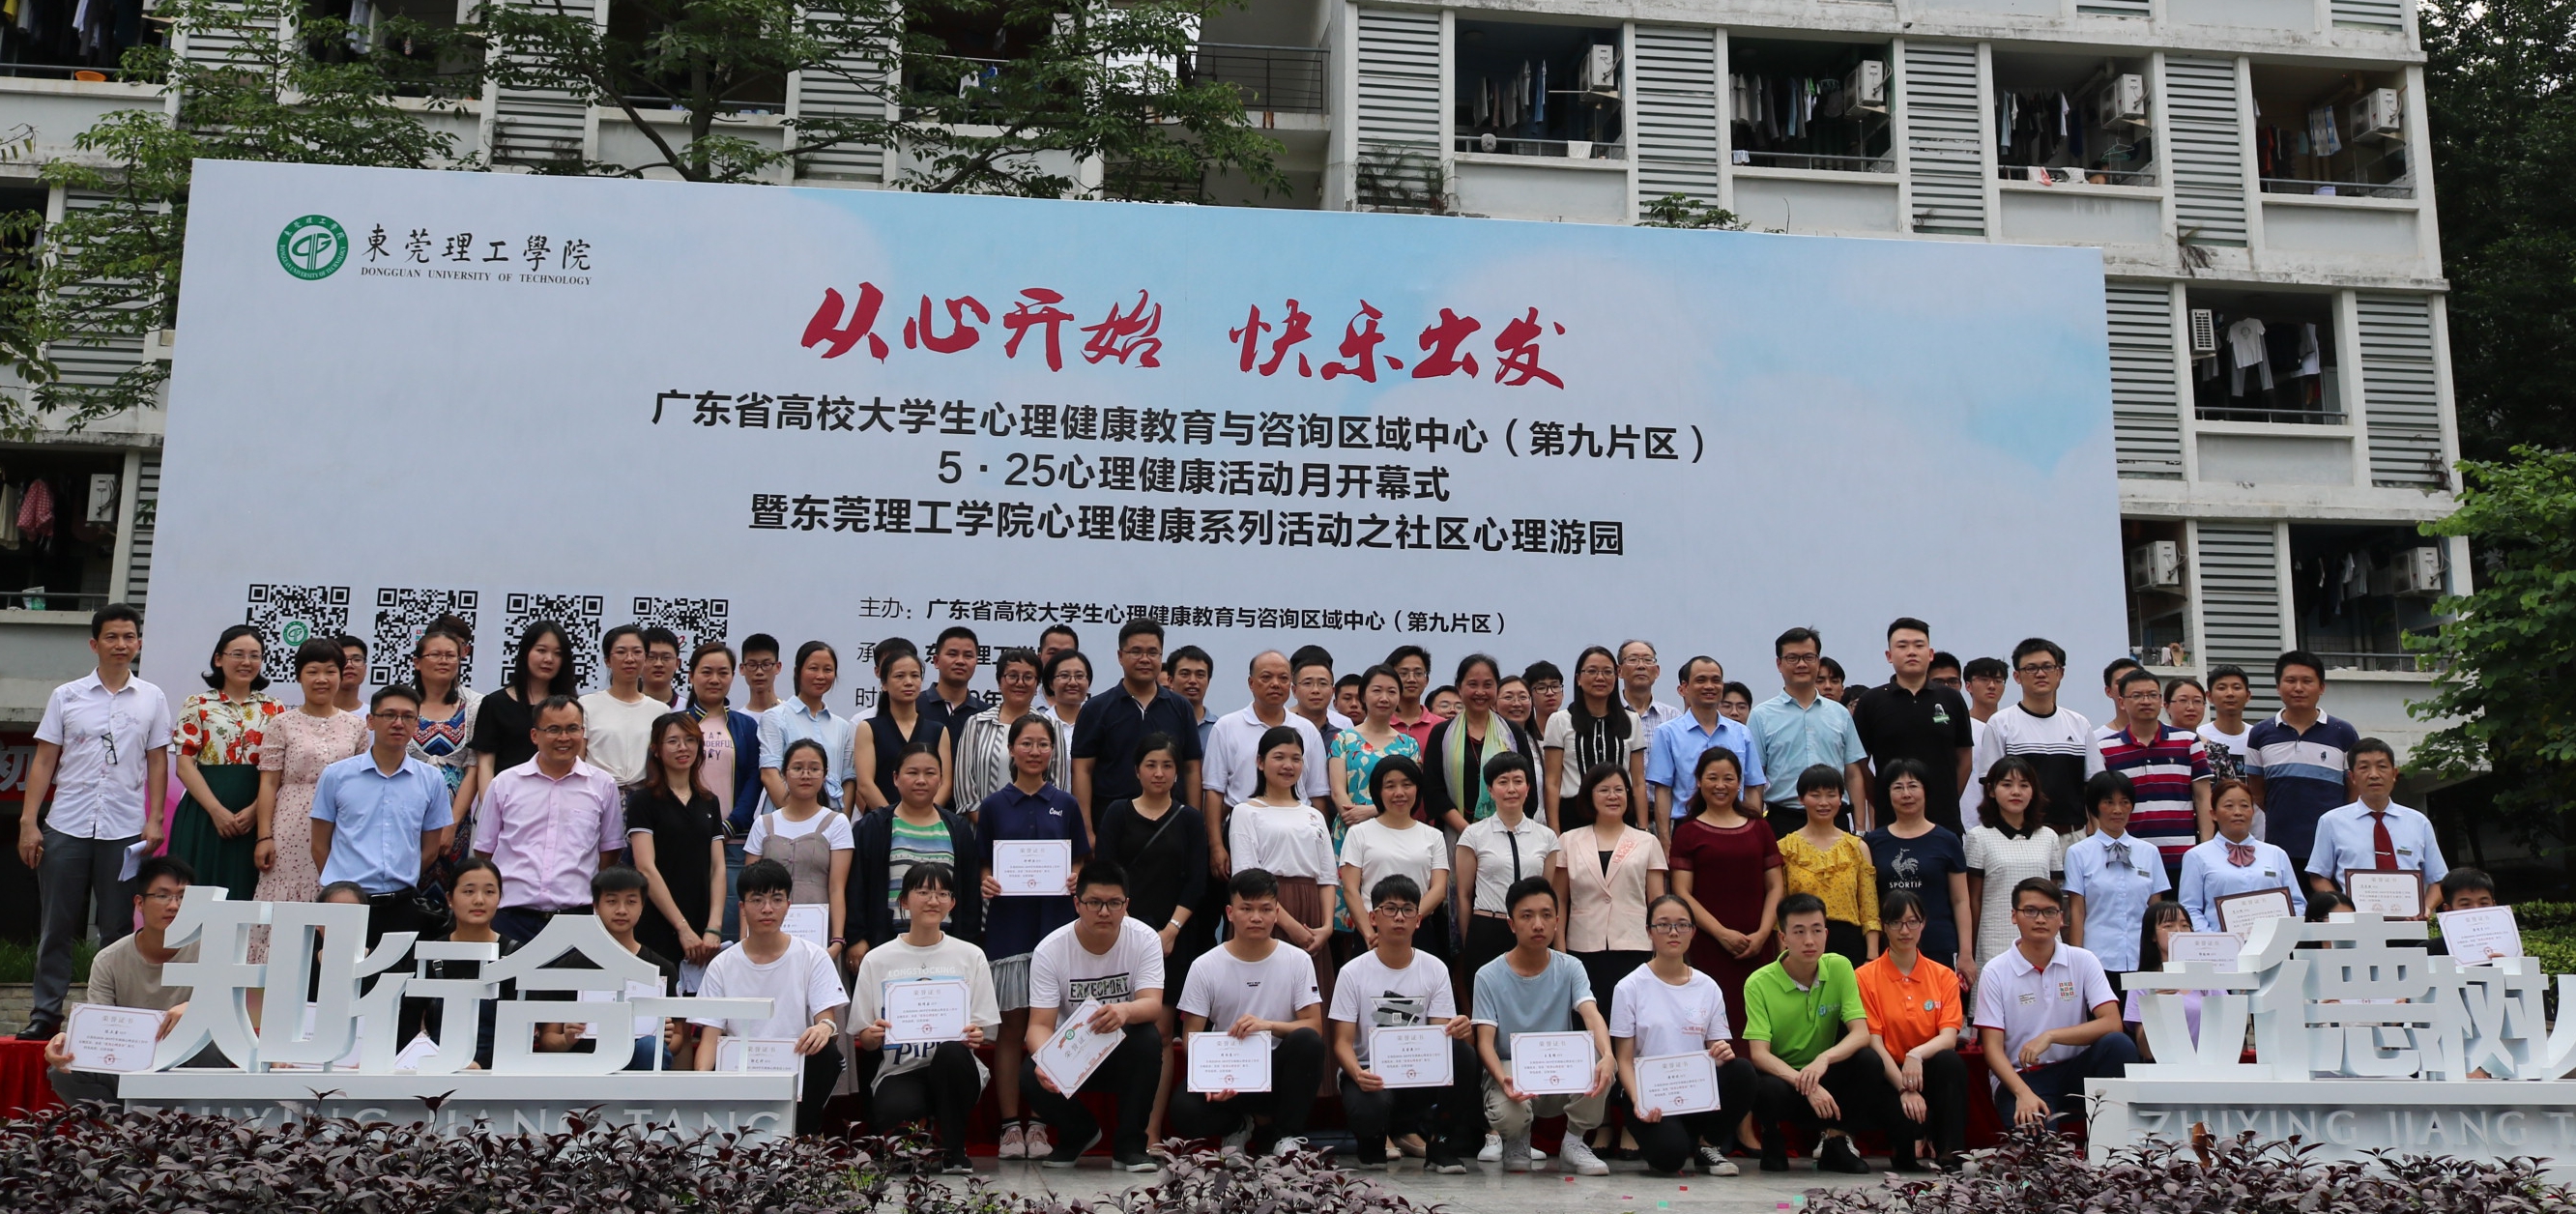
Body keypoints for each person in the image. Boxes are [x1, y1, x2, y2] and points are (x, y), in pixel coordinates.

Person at [979, 713, 1092, 1161]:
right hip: (1009, 928)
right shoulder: (994, 805)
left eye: (1042, 744)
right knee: (1011, 1029)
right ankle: (1010, 1126)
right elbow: (983, 862)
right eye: (1025, 743)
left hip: (1055, 928)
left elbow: (1080, 859)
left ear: (1052, 751)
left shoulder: (1065, 803)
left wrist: (1075, 876)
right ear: (1011, 749)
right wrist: (987, 880)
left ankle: (1043, 1122)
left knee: (1051, 1026)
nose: (1034, 751)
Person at [1089, 734, 1207, 1142]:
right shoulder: (1117, 813)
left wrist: (1171, 930)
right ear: (1136, 770)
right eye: (1151, 765)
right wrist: (1126, 927)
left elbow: (1197, 880)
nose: (1159, 773)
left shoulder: (1189, 818)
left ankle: (1150, 1132)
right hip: (1118, 933)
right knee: (1117, 1025)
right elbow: (1106, 874)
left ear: (1177, 773)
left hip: (1173, 936)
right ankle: (1116, 1128)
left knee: (1159, 1031)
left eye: (1167, 766)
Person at [850, 861, 999, 1173]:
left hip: (955, 1068)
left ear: (952, 903)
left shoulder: (970, 955)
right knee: (894, 1109)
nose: (934, 901)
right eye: (923, 892)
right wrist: (872, 1035)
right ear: (904, 901)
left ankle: (954, 1152)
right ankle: (915, 1138)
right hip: (901, 1069)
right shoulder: (877, 959)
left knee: (951, 1054)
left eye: (943, 894)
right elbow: (864, 1036)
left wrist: (976, 1033)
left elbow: (986, 1031)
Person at [1548, 763, 1666, 1155]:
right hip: (1583, 950)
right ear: (1589, 797)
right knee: (1591, 1038)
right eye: (1604, 790)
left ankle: (1631, 1120)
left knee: (1633, 1038)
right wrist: (1561, 950)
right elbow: (1559, 901)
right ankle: (1598, 1122)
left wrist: (1660, 953)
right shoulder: (1569, 840)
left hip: (1635, 949)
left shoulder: (1646, 841)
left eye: (1619, 789)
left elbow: (1657, 903)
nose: (1613, 796)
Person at [1171, 868, 1329, 1156]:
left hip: (1277, 1068)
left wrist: (1267, 1025)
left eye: (1265, 909)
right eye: (1247, 909)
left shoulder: (1297, 960)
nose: (1256, 917)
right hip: (1228, 1068)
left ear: (1276, 913)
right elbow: (1192, 1035)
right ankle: (1238, 1125)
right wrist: (1210, 1078)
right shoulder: (1205, 965)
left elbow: (1313, 1025)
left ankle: (1286, 1135)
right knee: (1185, 1110)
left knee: (1308, 1042)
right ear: (1230, 913)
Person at [1022, 860, 1165, 1171]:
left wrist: (1124, 1010)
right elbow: (1039, 1024)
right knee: (1031, 1073)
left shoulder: (1145, 939)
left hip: (1122, 1049)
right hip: (1074, 1051)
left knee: (1148, 1038)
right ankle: (1078, 1133)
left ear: (1126, 904)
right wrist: (1046, 1061)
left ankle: (1130, 1146)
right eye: (1094, 903)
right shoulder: (1051, 950)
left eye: (1114, 903)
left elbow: (1153, 1004)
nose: (1104, 912)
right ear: (1077, 904)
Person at [1331, 873, 1478, 1172]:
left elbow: (1439, 1037)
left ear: (1418, 920)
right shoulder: (1352, 972)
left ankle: (1440, 1143)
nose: (1399, 917)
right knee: (1369, 1109)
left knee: (1462, 1053)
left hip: (1417, 1070)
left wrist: (1458, 1030)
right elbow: (1342, 1043)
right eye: (1390, 909)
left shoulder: (1435, 968)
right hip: (1370, 1073)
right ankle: (1372, 1139)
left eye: (1408, 909)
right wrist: (1358, 1074)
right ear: (1373, 918)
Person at [692, 858, 848, 1136]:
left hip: (794, 1065)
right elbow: (710, 1037)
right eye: (757, 900)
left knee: (827, 1053)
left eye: (777, 899)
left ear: (789, 904)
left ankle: (803, 1135)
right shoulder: (722, 965)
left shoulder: (813, 957)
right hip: (740, 1068)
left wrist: (825, 1027)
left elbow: (827, 1022)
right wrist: (701, 1085)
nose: (767, 909)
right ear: (742, 907)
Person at [1471, 877, 1616, 1175]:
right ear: (1511, 924)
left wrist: (1608, 1054)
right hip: (1511, 1071)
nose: (1538, 924)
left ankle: (1574, 1142)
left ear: (1557, 922)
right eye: (1527, 916)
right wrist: (1501, 1077)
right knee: (1508, 1111)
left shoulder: (1570, 967)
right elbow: (1484, 1041)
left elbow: (1591, 1014)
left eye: (1546, 915)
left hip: (1560, 1069)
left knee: (1600, 1061)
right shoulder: (1488, 975)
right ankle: (1516, 1141)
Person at [1739, 892, 1887, 1173]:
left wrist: (1824, 1059)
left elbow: (1860, 1033)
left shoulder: (1840, 966)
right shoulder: (1758, 983)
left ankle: (1836, 1141)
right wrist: (1805, 1083)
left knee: (1869, 1061)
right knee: (1762, 1086)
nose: (1809, 940)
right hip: (1785, 1079)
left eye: (1817, 930)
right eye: (1799, 931)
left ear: (1826, 934)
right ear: (1783, 937)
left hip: (1823, 1073)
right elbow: (1759, 1054)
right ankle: (1772, 1135)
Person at [1973, 878, 2136, 1131]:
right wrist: (2022, 1093)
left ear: (2061, 918)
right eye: (2030, 911)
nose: (2040, 919)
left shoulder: (2083, 960)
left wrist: (2051, 1036)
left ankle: (2112, 1136)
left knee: (2118, 1045)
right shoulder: (1996, 971)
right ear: (2014, 916)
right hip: (2022, 1077)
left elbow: (2112, 1022)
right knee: (2039, 1150)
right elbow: (1992, 1049)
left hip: (2075, 1070)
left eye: (2049, 911)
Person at [1611, 893, 1751, 1178]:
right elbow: (1623, 1060)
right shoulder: (1629, 987)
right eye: (1663, 925)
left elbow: (1715, 1050)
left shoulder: (1708, 987)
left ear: (1693, 932)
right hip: (1652, 1098)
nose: (1673, 932)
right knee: (1670, 1157)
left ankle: (1708, 1146)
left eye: (1682, 925)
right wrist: (1639, 1101)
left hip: (1696, 1094)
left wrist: (1722, 1053)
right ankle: (1666, 1138)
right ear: (1649, 931)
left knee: (1742, 1072)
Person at [41, 855, 205, 1098]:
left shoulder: (210, 950)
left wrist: (198, 1010)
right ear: (139, 903)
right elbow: (100, 1024)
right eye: (162, 896)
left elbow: (236, 1008)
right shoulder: (109, 960)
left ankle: (195, 1119)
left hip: (188, 1060)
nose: (174, 905)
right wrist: (73, 1040)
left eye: (183, 897)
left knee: (210, 1046)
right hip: (128, 1063)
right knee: (64, 1072)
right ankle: (121, 1121)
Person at [472, 695, 625, 943]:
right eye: (553, 729)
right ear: (535, 735)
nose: (564, 738)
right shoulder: (505, 783)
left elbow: (609, 852)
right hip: (511, 917)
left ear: (582, 732)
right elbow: (484, 852)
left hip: (576, 919)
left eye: (572, 728)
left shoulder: (603, 785)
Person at [310, 684, 455, 946]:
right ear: (370, 720)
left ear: (417, 724)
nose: (398, 723)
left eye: (408, 716)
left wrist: (401, 876)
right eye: (389, 715)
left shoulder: (431, 779)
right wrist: (341, 891)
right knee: (337, 971)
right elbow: (319, 846)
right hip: (345, 907)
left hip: (401, 906)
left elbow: (430, 850)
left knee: (396, 973)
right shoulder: (336, 775)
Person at [1665, 749, 1782, 1043]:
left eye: (1728, 778)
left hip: (1757, 943)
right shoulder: (1687, 832)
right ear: (1698, 781)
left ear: (1739, 782)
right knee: (1715, 1026)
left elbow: (1776, 886)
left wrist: (1762, 934)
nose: (1720, 785)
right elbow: (1681, 892)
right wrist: (1721, 933)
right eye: (1712, 778)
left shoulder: (1760, 828)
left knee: (1759, 1022)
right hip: (1708, 944)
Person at [1224, 726, 1339, 1012]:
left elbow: (1327, 877)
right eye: (1279, 757)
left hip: (1311, 911)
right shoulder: (1245, 812)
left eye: (1296, 758)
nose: (1288, 765)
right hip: (1264, 909)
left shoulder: (1313, 814)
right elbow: (1246, 876)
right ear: (1260, 762)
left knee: (1307, 1001)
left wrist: (1326, 927)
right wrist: (1289, 926)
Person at [254, 638, 370, 917]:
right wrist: (264, 836)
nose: (322, 679)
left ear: (341, 675)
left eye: (330, 671)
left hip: (341, 823)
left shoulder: (356, 726)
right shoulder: (281, 723)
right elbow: (269, 783)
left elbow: (363, 783)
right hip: (291, 821)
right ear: (298, 677)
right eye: (313, 671)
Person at [169, 624, 283, 901]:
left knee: (246, 892)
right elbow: (184, 766)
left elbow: (280, 770)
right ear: (218, 659)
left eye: (255, 655)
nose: (247, 662)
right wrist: (216, 811)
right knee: (198, 890)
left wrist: (256, 810)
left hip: (257, 813)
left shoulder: (275, 709)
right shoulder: (197, 704)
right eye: (238, 654)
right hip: (204, 811)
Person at [1856, 890, 1967, 1171]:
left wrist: (1916, 1055)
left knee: (1950, 1061)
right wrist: (1905, 1088)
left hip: (1926, 1067)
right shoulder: (1864, 977)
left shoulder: (1943, 976)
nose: (1905, 931)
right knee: (1868, 1063)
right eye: (1896, 922)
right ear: (1884, 926)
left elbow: (1949, 1037)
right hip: (1889, 1073)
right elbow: (1874, 1041)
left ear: (1924, 923)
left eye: (1912, 922)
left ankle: (1949, 1152)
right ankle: (1902, 1148)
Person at [1072, 620, 1201, 845]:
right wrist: (1087, 830)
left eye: (1152, 652)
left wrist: (1193, 824)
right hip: (1112, 823)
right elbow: (1082, 769)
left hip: (1170, 824)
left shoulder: (1181, 707)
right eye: (1136, 652)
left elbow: (1191, 769)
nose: (1145, 659)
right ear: (1120, 656)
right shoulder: (1096, 709)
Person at [853, 740, 984, 957]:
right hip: (886, 943)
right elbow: (857, 886)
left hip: (946, 944)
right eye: (912, 772)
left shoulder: (958, 828)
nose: (921, 780)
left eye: (930, 773)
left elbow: (969, 893)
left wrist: (968, 944)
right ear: (896, 778)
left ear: (940, 779)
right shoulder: (874, 826)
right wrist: (856, 937)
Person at [1200, 650, 1330, 862]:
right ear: (1251, 683)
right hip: (1243, 831)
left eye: (1283, 678)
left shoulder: (1307, 730)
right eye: (1266, 677)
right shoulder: (1226, 727)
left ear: (1291, 685)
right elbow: (1214, 791)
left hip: (1298, 832)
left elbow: (1317, 795)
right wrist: (1215, 846)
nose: (1275, 684)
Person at [1969, 639, 2104, 838]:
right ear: (2017, 676)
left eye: (2047, 667)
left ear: (2060, 673)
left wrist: (2098, 836)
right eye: (2031, 668)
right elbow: (1992, 787)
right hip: (2021, 836)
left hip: (2072, 836)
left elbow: (2093, 786)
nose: (2040, 674)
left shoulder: (2079, 724)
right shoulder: (2000, 723)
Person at [1852, 619, 1978, 835]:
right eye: (1902, 646)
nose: (1911, 652)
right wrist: (1882, 798)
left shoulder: (1951, 699)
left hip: (1944, 822)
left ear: (1930, 654)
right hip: (1891, 822)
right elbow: (1860, 764)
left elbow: (1965, 757)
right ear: (1889, 655)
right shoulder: (1871, 702)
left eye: (1919, 645)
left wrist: (1947, 799)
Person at [2248, 651, 2365, 880]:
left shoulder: (2343, 732)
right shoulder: (2260, 734)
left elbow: (2354, 790)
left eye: (2307, 681)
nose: (2298, 688)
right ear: (2278, 687)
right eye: (2290, 681)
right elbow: (2257, 792)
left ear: (2321, 687)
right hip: (2279, 847)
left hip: (2332, 847)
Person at [625, 712, 727, 975]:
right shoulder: (643, 801)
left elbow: (717, 867)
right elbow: (645, 868)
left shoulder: (709, 802)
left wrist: (714, 927)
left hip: (703, 926)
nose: (683, 747)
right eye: (673, 741)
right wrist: (682, 928)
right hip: (658, 921)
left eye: (690, 740)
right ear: (656, 750)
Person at [1751, 628, 1873, 837]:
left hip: (1836, 820)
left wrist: (1860, 829)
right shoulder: (1761, 716)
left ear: (1817, 661)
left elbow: (1853, 774)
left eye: (1808, 657)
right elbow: (1755, 780)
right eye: (1792, 658)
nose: (1801, 664)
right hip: (1783, 821)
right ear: (1779, 664)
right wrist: (1755, 832)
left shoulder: (1840, 713)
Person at [2304, 738, 2446, 917]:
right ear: (2352, 777)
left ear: (2394, 774)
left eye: (2382, 767)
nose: (2374, 775)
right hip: (2357, 923)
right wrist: (2342, 909)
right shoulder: (2331, 821)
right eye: (2364, 768)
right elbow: (2318, 876)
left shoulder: (2419, 822)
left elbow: (2439, 879)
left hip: (2410, 922)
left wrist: (2426, 908)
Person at [745, 738, 854, 967]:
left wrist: (837, 940)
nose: (806, 775)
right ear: (784, 773)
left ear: (825, 774)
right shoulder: (763, 824)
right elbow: (748, 890)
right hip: (767, 933)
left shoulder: (837, 823)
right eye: (797, 768)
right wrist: (745, 939)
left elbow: (837, 887)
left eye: (814, 769)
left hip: (820, 936)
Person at [1453, 753, 1557, 988]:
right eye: (1503, 782)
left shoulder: (1547, 837)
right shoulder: (1473, 835)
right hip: (1488, 927)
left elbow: (1548, 892)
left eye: (1518, 781)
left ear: (1528, 787)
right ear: (1490, 790)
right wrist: (1470, 940)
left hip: (1533, 928)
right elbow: (1464, 895)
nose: (1511, 789)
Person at [679, 642, 761, 939]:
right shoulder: (677, 724)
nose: (715, 679)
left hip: (733, 842)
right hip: (685, 839)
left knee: (727, 929)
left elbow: (754, 779)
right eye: (706, 672)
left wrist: (731, 824)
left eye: (723, 673)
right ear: (691, 676)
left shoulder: (746, 725)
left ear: (733, 677)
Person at [402, 855, 516, 1069]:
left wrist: (483, 1066)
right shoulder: (428, 954)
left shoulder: (514, 954)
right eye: (469, 891)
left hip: (499, 1072)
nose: (479, 900)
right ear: (449, 899)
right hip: (435, 1069)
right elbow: (407, 1022)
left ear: (500, 899)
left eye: (489, 892)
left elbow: (520, 1030)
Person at [2096, 668, 2213, 873]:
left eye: (2152, 695)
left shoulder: (2187, 741)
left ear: (2161, 701)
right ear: (2122, 702)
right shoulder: (2106, 748)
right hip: (2130, 857)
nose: (2146, 701)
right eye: (2137, 696)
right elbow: (2099, 804)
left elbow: (2203, 797)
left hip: (2183, 856)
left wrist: (2206, 848)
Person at [1862, 758, 1973, 975]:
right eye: (1898, 787)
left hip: (1938, 944)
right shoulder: (1872, 843)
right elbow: (1868, 901)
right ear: (1888, 794)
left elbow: (1960, 900)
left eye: (1913, 786)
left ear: (1925, 791)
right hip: (1890, 946)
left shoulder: (1947, 840)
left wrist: (1966, 953)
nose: (1906, 794)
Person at [567, 865, 680, 1069]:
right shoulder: (570, 967)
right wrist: (566, 1038)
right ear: (596, 906)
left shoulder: (662, 968)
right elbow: (549, 1040)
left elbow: (678, 1039)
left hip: (640, 1067)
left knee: (650, 1047)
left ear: (642, 906)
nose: (621, 910)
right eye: (612, 901)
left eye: (631, 902)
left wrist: (667, 1038)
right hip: (585, 1068)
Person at [1646, 656, 1766, 844]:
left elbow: (1752, 787)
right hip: (1688, 827)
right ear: (1685, 687)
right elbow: (1663, 791)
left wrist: (1754, 834)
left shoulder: (1741, 733)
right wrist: (1665, 842)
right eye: (1701, 680)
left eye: (1716, 680)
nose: (1709, 686)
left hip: (1735, 826)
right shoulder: (1668, 733)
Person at [1339, 756, 1451, 958]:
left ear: (1417, 789)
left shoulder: (1433, 836)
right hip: (1372, 930)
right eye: (1390, 786)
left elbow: (1439, 889)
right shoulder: (1358, 833)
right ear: (1378, 791)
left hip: (1419, 929)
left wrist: (1408, 919)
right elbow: (1350, 889)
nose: (1399, 793)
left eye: (1407, 785)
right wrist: (1369, 934)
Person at [1962, 757, 2066, 970]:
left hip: (2042, 938)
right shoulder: (1978, 837)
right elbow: (1974, 899)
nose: (2016, 792)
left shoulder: (2049, 837)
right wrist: (1969, 949)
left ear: (2033, 791)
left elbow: (2053, 893)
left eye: (2024, 785)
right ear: (1991, 790)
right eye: (2007, 785)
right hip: (1994, 938)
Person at [2063, 771, 2172, 973]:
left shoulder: (2149, 852)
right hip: (2098, 957)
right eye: (2109, 802)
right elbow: (2077, 911)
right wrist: (2076, 963)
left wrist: (2160, 959)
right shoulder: (2078, 853)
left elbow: (2156, 911)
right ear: (2095, 806)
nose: (2117, 810)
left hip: (2142, 957)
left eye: (2124, 802)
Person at [406, 619, 484, 895]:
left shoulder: (474, 706)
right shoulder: (402, 703)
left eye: (450, 655)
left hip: (455, 822)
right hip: (405, 817)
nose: (443, 661)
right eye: (435, 654)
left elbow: (473, 766)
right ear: (417, 662)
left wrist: (450, 823)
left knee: (451, 895)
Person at [1421, 653, 1536, 834]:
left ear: (1496, 688)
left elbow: (1529, 789)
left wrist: (1498, 832)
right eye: (1473, 684)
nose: (1480, 692)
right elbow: (1433, 791)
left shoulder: (1512, 733)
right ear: (1459, 688)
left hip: (1507, 832)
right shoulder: (1441, 733)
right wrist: (1469, 833)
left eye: (1488, 685)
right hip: (1455, 834)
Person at [1778, 766, 1878, 967]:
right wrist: (1783, 957)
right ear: (1801, 799)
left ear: (1840, 799)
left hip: (1849, 945)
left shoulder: (1857, 847)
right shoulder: (1785, 848)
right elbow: (1779, 909)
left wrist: (1871, 957)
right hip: (1801, 943)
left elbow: (1869, 907)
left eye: (1831, 795)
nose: (1823, 803)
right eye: (1815, 795)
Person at [2177, 777, 2304, 935]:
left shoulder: (2276, 854)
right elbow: (2190, 908)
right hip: (2219, 946)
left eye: (2244, 805)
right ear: (2213, 814)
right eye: (2229, 806)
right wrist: (2214, 940)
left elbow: (2297, 903)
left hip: (2274, 944)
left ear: (2253, 811)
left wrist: (2281, 933)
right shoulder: (2197, 856)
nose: (2238, 812)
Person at [955, 648, 1070, 818]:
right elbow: (964, 785)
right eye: (1012, 676)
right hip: (982, 827)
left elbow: (1057, 785)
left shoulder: (1051, 726)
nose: (1020, 683)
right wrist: (990, 824)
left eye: (1028, 677)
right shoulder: (976, 723)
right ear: (999, 681)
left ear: (1037, 684)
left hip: (1037, 828)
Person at [1543, 647, 1648, 829]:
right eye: (1592, 671)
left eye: (1607, 672)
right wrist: (1555, 835)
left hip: (1621, 814)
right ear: (1578, 678)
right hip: (1574, 817)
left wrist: (1643, 829)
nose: (1600, 678)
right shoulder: (1559, 721)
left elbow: (1638, 782)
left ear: (1616, 676)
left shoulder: (1632, 720)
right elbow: (1552, 783)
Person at [470, 620, 578, 785]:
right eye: (541, 650)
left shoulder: (571, 707)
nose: (549, 659)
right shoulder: (495, 703)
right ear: (525, 652)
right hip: (508, 795)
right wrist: (490, 799)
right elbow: (485, 765)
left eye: (558, 653)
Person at [852, 640, 955, 812]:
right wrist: (897, 820)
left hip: (928, 822)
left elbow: (945, 784)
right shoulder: (868, 729)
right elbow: (865, 785)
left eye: (915, 676)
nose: (908, 682)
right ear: (884, 684)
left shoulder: (938, 730)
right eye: (899, 676)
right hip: (882, 822)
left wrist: (924, 818)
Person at [760, 641, 858, 812]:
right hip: (785, 818)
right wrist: (802, 818)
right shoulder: (775, 717)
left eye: (827, 670)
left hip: (831, 822)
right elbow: (770, 774)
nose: (820, 676)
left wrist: (840, 821)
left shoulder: (842, 726)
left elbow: (848, 779)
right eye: (813, 668)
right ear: (797, 672)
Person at [1326, 665, 1423, 840]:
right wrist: (1356, 823)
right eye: (1377, 691)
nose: (1384, 698)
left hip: (1395, 830)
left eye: (1391, 692)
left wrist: (1372, 812)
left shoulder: (1409, 745)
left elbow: (1412, 793)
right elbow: (1337, 791)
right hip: (1351, 830)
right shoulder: (1343, 739)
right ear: (1363, 695)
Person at [579, 625, 669, 786]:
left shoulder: (660, 711)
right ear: (607, 660)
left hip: (644, 795)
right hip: (595, 791)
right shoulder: (586, 705)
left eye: (637, 652)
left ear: (645, 658)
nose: (630, 659)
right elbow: (577, 759)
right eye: (621, 652)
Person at [2121, 899, 2201, 1062]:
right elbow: (2146, 1051)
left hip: (2209, 1068)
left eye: (2185, 926)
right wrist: (2155, 1009)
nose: (2178, 931)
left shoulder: (2207, 979)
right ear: (2153, 936)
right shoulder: (2142, 983)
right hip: (2164, 1070)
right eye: (2168, 926)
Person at [919, 626, 994, 738]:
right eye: (952, 654)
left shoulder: (986, 715)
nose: (960, 661)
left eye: (968, 656)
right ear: (936, 661)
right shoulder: (914, 706)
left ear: (976, 662)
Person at [2194, 665, 2256, 785]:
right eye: (2222, 688)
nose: (2230, 693)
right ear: (2209, 696)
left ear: (2248, 696)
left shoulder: (2258, 737)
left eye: (2236, 688)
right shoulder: (2199, 738)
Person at [1616, 640, 1682, 736]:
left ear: (1657, 671)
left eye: (1647, 660)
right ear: (1619, 671)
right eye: (1633, 659)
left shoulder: (1672, 716)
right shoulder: (1607, 713)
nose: (1641, 666)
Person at [1384, 645, 1443, 750]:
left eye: (1418, 673)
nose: (1411, 679)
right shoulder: (1379, 724)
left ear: (1426, 680)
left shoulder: (1442, 727)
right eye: (1403, 673)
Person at [1288, 646, 1349, 739]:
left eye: (1323, 683)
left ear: (1333, 691)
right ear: (1294, 690)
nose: (1315, 690)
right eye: (1307, 683)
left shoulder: (1343, 736)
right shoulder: (1283, 730)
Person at [1164, 645, 1214, 752]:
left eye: (1200, 675)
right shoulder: (1157, 722)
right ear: (1170, 681)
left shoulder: (1219, 728)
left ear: (1208, 681)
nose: (1192, 681)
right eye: (1185, 674)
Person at [1043, 649, 1093, 727]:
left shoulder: (1099, 722)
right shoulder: (1040, 724)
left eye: (1079, 676)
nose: (1073, 683)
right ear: (1051, 683)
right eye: (1064, 676)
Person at [739, 633, 783, 715]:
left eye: (766, 664)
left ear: (778, 667)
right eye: (752, 665)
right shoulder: (738, 720)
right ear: (742, 669)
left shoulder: (789, 715)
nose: (759, 672)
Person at [641, 626, 683, 708]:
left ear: (677, 663)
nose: (658, 664)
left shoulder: (688, 709)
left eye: (666, 658)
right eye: (651, 657)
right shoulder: (625, 707)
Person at [335, 635, 370, 714]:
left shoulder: (374, 716)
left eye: (357, 660)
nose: (349, 665)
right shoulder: (312, 714)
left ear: (365, 669)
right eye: (342, 660)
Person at [1495, 675, 1535, 739]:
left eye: (1523, 697)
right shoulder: (1485, 740)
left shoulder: (1542, 743)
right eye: (1508, 697)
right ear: (1494, 704)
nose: (1517, 704)